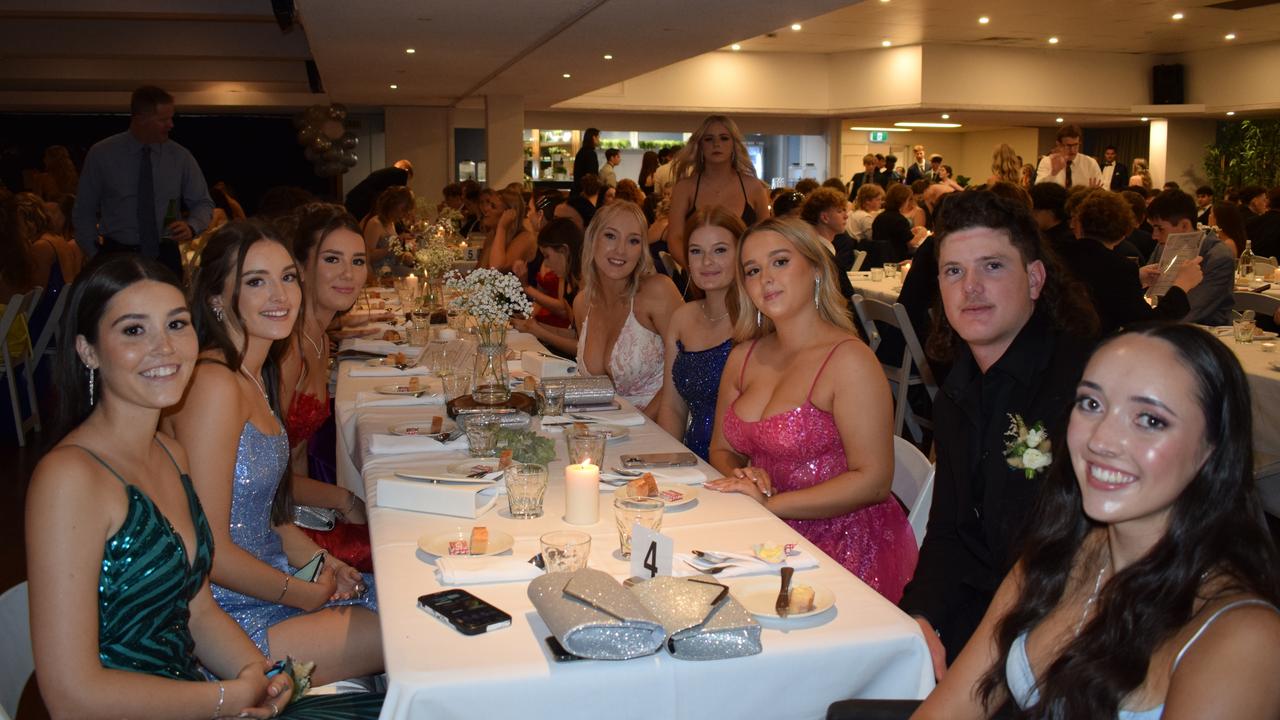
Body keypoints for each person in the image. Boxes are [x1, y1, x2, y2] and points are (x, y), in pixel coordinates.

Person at [27, 253, 383, 719]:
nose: (165, 348)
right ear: (88, 350)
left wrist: (256, 673)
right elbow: (70, 697)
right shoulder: (70, 478)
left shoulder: (169, 455)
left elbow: (199, 613)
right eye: (135, 331)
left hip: (201, 691)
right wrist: (226, 697)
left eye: (176, 325)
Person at [916, 323, 1280, 719]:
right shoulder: (1057, 555)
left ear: (1213, 447)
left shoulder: (1242, 639)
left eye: (1150, 420)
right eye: (1091, 404)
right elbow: (952, 708)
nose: (1100, 441)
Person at [166, 220, 382, 683]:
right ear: (217, 300)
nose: (280, 295)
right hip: (230, 621)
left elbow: (273, 517)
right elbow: (210, 551)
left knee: (414, 597)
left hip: (272, 584)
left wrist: (325, 564)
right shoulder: (214, 385)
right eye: (256, 282)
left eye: (286, 277)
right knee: (414, 631)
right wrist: (298, 591)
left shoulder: (252, 377)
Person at [899, 191, 1099, 676]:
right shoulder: (957, 392)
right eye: (954, 271)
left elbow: (1083, 559)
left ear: (1034, 279)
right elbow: (950, 530)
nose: (970, 288)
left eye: (991, 266)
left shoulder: (1084, 388)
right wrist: (919, 617)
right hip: (984, 608)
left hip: (1071, 632)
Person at [706, 217, 917, 601]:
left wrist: (771, 504)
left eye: (780, 262)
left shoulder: (848, 360)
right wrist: (742, 475)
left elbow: (873, 481)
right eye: (753, 270)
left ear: (816, 269)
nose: (765, 278)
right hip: (763, 535)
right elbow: (720, 448)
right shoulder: (742, 357)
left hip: (843, 549)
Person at [279, 204, 373, 571]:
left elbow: (297, 455)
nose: (348, 274)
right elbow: (262, 478)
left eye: (358, 261)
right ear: (300, 268)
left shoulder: (318, 340)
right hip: (277, 529)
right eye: (332, 259)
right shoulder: (288, 351)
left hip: (300, 507)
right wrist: (344, 500)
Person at [74, 85, 213, 276]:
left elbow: (203, 202)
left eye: (171, 118)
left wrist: (192, 225)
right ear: (140, 120)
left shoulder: (180, 157)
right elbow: (83, 209)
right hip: (117, 254)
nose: (171, 125)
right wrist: (95, 254)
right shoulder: (102, 154)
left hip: (165, 254)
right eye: (163, 120)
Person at [575, 201, 683, 414]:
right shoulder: (582, 303)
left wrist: (642, 425)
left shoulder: (657, 291)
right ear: (592, 239)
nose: (620, 250)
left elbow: (687, 369)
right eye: (610, 236)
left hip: (661, 427)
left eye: (633, 240)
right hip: (609, 430)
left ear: (641, 251)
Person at [656, 207, 745, 459]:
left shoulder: (755, 322)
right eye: (696, 251)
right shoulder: (682, 318)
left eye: (720, 250)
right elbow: (672, 407)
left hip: (741, 467)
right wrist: (669, 464)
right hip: (690, 463)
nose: (707, 262)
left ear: (741, 254)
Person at [1062, 190, 1201, 335]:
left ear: (1079, 225)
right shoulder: (1119, 267)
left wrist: (1136, 277)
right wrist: (1180, 287)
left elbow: (1100, 286)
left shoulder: (1059, 253)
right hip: (1092, 349)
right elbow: (1147, 324)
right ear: (1124, 232)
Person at [667, 114, 772, 263]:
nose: (716, 144)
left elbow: (765, 236)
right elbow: (675, 239)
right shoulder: (685, 188)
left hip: (743, 276)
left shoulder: (753, 187)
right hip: (698, 277)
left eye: (724, 138)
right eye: (709, 139)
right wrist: (695, 269)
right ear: (700, 146)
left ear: (734, 144)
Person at [1141, 189, 1234, 326]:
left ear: (1184, 225)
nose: (1154, 236)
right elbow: (1146, 296)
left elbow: (1192, 311)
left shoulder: (1218, 256)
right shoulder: (1162, 246)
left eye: (1160, 229)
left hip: (1202, 334)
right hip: (1162, 325)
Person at [511, 218, 584, 357]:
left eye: (547, 256)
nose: (546, 264)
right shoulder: (570, 280)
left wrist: (540, 332)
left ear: (564, 250)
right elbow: (575, 334)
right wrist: (531, 326)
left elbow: (584, 348)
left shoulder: (586, 286)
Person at [361, 185, 415, 277]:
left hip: (391, 269)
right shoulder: (375, 223)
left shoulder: (391, 223)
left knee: (419, 273)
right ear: (392, 205)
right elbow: (367, 256)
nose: (404, 214)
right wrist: (390, 248)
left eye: (406, 211)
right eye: (403, 210)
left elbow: (392, 257)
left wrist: (403, 256)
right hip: (379, 273)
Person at [801, 187, 857, 273]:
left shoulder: (820, 245)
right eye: (839, 211)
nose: (846, 216)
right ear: (825, 218)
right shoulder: (816, 252)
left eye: (844, 211)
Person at [869, 183, 928, 266]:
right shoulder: (900, 219)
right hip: (897, 261)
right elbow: (911, 244)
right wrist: (922, 232)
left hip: (878, 260)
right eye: (908, 200)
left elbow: (894, 235)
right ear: (903, 201)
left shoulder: (880, 217)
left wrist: (910, 231)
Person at [480, 187, 534, 272]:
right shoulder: (491, 235)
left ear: (509, 213)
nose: (485, 209)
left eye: (493, 206)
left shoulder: (525, 238)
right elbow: (479, 271)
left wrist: (502, 227)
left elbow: (497, 268)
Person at [344, 159, 412, 223]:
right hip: (361, 205)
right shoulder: (402, 173)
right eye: (407, 179)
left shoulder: (383, 175)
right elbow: (399, 201)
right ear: (406, 170)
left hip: (355, 201)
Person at [1036, 125, 1103, 189]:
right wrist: (1053, 174)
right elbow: (1038, 190)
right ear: (1058, 144)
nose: (1072, 150)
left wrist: (1093, 193)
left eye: (1076, 145)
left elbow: (1102, 188)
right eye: (1068, 145)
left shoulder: (1090, 163)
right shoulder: (1047, 162)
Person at [572, 127, 601, 194]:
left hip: (578, 189)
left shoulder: (581, 152)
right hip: (586, 191)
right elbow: (592, 175)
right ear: (594, 138)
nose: (599, 140)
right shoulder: (590, 153)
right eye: (598, 137)